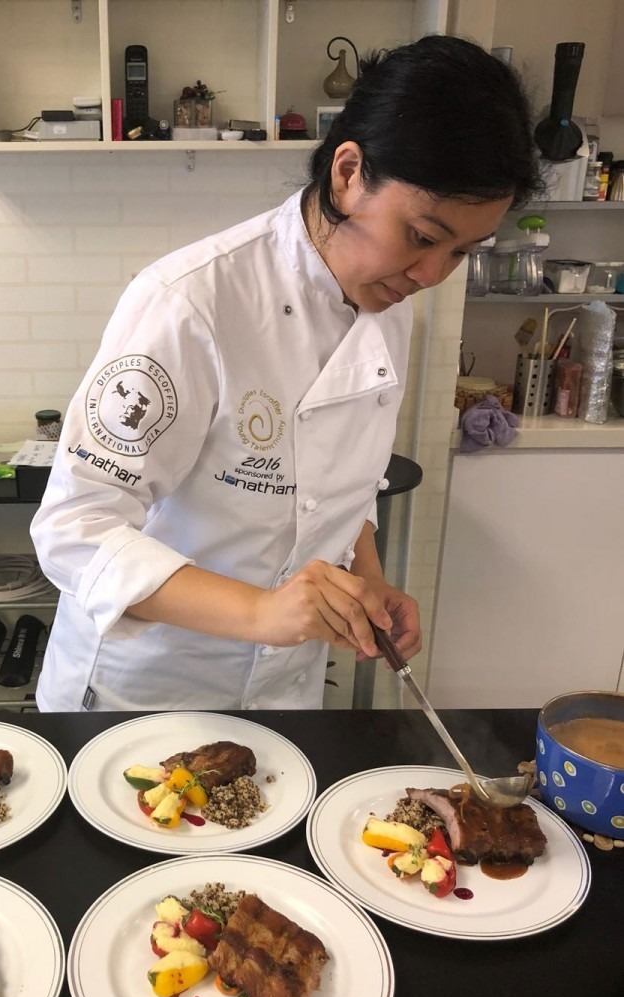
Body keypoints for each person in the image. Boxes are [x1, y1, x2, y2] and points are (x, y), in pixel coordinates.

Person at [30, 35, 540, 712]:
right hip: (145, 692)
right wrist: (262, 612)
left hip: (281, 694)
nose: (430, 275)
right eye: (422, 237)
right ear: (348, 173)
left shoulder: (388, 305)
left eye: (460, 253)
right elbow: (73, 529)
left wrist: (368, 581)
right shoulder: (191, 302)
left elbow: (336, 487)